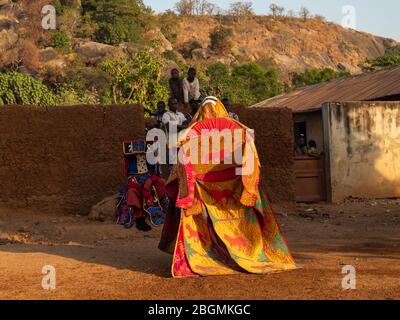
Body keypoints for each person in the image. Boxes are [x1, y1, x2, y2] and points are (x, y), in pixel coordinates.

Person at [159, 96, 299, 277]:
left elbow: (179, 155)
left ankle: (207, 254)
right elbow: (251, 153)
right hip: (234, 188)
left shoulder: (193, 132)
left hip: (201, 189)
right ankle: (247, 252)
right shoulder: (236, 128)